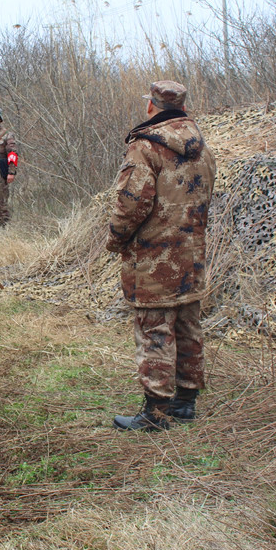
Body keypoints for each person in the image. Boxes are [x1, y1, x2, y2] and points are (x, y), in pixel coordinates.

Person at [107, 81, 216, 432]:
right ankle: (185, 402)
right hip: (192, 254)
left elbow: (132, 203)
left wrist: (115, 239)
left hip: (154, 259)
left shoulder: (144, 148)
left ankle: (155, 413)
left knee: (155, 330)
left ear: (151, 107)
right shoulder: (202, 147)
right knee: (187, 325)